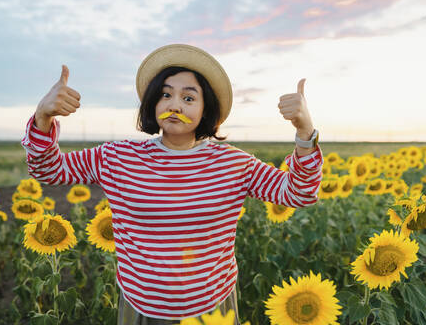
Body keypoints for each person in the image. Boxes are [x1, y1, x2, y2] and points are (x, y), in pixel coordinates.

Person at [21, 44, 323, 324]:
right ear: (153, 102)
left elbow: (299, 192)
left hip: (212, 308)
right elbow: (48, 170)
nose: (175, 104)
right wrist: (43, 116)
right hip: (141, 307)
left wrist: (305, 131)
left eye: (189, 97)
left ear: (207, 109)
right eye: (165, 95)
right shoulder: (117, 157)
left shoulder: (234, 164)